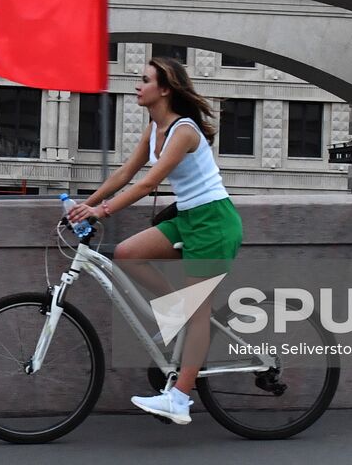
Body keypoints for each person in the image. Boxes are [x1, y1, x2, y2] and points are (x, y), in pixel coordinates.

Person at [66, 55, 244, 425]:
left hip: (213, 223)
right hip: (187, 219)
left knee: (198, 314)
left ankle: (179, 399)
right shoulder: (154, 128)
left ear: (164, 89)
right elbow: (126, 173)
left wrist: (104, 212)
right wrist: (88, 203)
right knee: (129, 253)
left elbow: (148, 184)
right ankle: (176, 312)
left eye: (144, 80)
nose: (137, 85)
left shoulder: (184, 131)